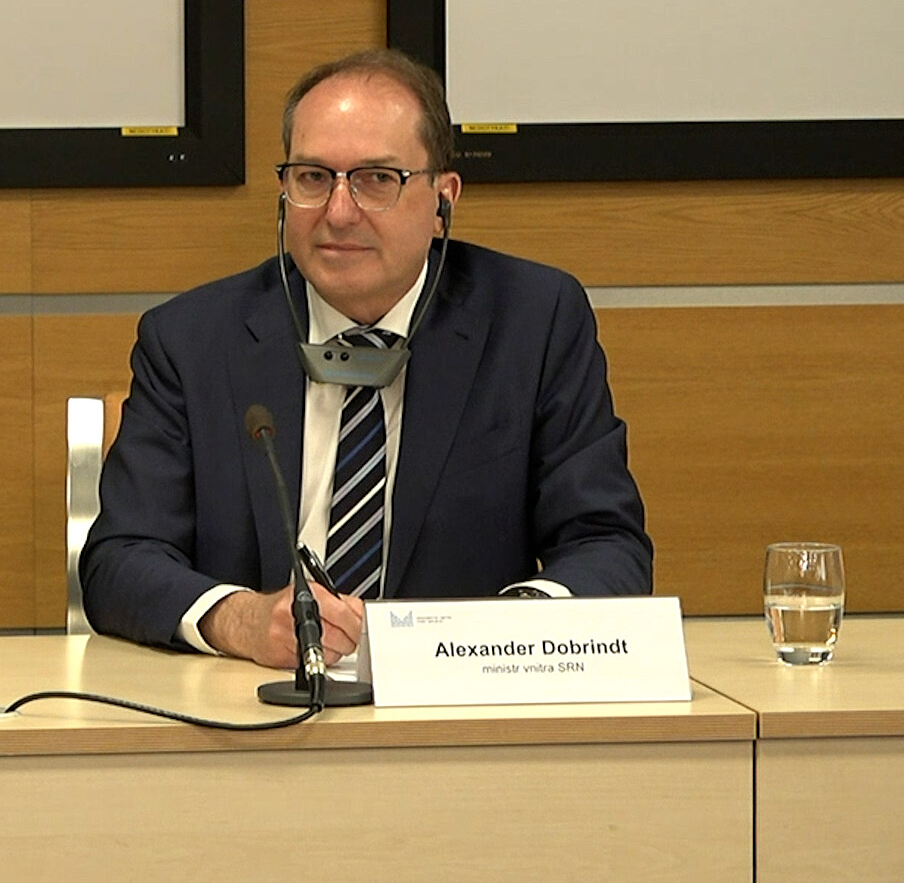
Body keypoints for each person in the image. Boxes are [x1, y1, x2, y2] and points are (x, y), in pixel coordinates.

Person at [79, 48, 650, 669]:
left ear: (443, 200)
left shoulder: (534, 322)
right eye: (313, 177)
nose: (339, 212)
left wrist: (495, 637)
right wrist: (241, 620)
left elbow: (606, 545)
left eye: (377, 179)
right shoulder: (191, 339)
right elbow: (119, 560)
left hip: (456, 703)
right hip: (251, 700)